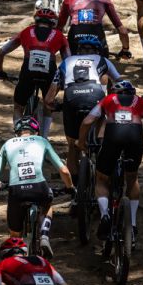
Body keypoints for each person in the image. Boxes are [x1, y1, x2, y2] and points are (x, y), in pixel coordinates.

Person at [78, 80, 143, 247]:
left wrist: (81, 142)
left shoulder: (108, 100)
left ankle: (105, 216)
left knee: (101, 179)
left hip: (113, 137)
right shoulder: (141, 102)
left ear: (115, 92)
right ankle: (133, 225)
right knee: (132, 179)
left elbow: (87, 121)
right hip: (134, 138)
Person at [0, 115, 73, 258]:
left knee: (15, 234)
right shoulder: (42, 141)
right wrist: (70, 187)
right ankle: (44, 236)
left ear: (17, 132)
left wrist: (0, 186)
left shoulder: (7, 144)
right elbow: (64, 171)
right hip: (39, 187)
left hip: (16, 191)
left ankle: (18, 255)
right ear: (36, 132)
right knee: (47, 205)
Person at [45, 35, 120, 183]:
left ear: (78, 51)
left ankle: (75, 188)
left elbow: (48, 99)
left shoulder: (66, 62)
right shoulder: (103, 60)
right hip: (96, 96)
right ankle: (103, 161)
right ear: (97, 51)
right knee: (101, 131)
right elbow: (120, 82)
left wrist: (56, 106)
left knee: (73, 146)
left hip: (72, 97)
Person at [0, 9, 70, 137]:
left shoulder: (26, 31)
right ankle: (44, 137)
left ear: (36, 20)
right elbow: (69, 60)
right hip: (49, 72)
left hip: (27, 72)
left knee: (18, 106)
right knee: (48, 104)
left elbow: (0, 52)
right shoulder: (59, 35)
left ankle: (18, 135)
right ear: (53, 22)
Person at [57, 0, 130, 57]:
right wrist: (125, 50)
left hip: (75, 33)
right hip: (97, 33)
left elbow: (59, 28)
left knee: (68, 63)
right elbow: (122, 31)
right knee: (103, 63)